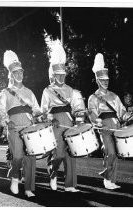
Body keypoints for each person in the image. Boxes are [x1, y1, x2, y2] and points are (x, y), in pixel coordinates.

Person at [41, 40, 85, 192]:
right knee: (59, 153)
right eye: (58, 75)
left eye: (63, 75)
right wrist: (50, 119)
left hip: (69, 123)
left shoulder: (71, 90)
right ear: (53, 75)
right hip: (56, 124)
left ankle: (70, 185)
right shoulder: (47, 91)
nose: (61, 78)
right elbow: (43, 110)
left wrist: (79, 121)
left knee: (71, 154)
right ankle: (53, 174)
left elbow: (77, 108)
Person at [0, 50, 41, 198]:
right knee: (17, 157)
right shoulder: (5, 92)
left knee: (30, 158)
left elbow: (36, 109)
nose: (19, 75)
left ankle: (29, 188)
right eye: (16, 73)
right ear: (11, 75)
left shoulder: (29, 92)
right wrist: (7, 122)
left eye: (21, 72)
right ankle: (15, 178)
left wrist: (40, 117)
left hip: (28, 126)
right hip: (14, 127)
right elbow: (0, 111)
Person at [88, 53, 132, 190]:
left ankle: (112, 180)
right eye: (103, 79)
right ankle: (106, 178)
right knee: (110, 152)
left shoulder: (114, 96)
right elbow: (93, 115)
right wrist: (99, 123)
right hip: (105, 127)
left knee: (116, 155)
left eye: (107, 79)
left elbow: (122, 112)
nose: (106, 82)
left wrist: (129, 116)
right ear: (97, 80)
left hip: (117, 126)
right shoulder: (93, 98)